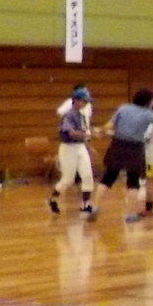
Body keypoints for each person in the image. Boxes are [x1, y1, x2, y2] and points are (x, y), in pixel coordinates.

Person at [92, 89, 153, 222]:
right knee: (133, 182)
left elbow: (110, 125)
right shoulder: (149, 115)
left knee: (108, 177)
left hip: (117, 145)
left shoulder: (123, 108)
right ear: (148, 101)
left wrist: (101, 130)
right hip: (135, 148)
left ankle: (94, 207)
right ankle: (130, 214)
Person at [49, 87, 96, 215]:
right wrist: (89, 134)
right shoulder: (68, 115)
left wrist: (88, 145)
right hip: (68, 148)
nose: (85, 103)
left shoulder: (82, 116)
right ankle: (53, 199)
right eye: (83, 101)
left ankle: (85, 204)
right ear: (75, 100)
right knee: (68, 179)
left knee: (87, 175)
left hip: (80, 147)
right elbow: (71, 133)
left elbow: (83, 133)